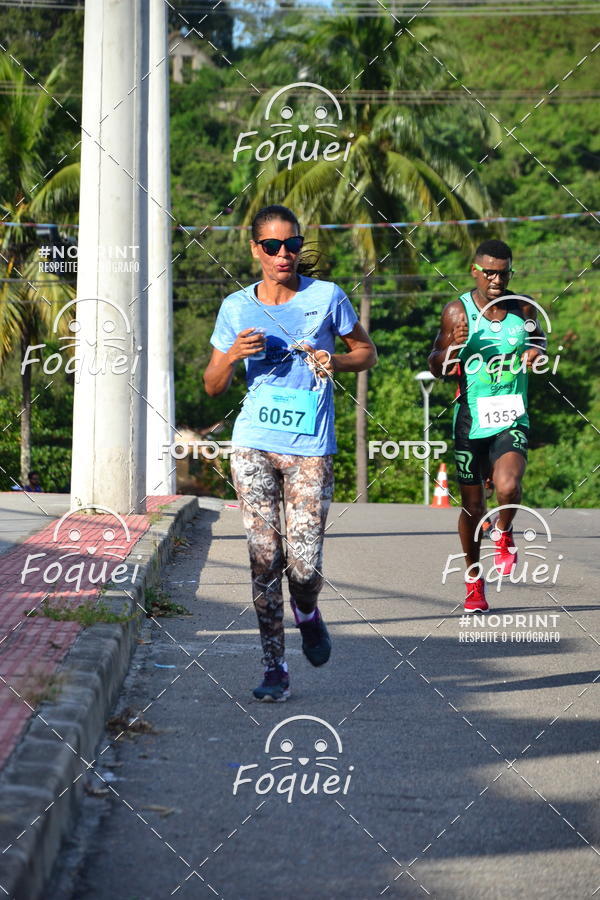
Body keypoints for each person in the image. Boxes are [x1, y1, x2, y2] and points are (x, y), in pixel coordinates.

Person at [204, 204, 377, 700]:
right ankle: (274, 668)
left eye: (293, 244)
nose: (284, 254)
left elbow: (366, 352)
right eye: (273, 246)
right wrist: (233, 355)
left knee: (303, 566)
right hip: (253, 443)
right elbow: (213, 384)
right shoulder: (236, 307)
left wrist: (334, 359)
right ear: (255, 250)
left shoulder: (327, 297)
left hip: (310, 448)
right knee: (264, 559)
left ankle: (306, 609)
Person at [428, 239, 546, 612]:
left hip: (511, 413)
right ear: (475, 271)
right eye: (489, 273)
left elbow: (539, 340)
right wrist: (453, 346)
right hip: (470, 417)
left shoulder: (523, 307)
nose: (496, 280)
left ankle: (504, 531)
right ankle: (474, 580)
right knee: (473, 507)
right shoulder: (456, 311)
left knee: (508, 486)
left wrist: (535, 352)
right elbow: (437, 365)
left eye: (503, 273)